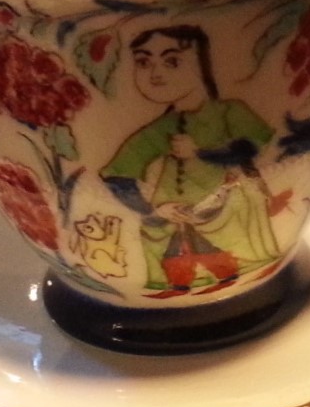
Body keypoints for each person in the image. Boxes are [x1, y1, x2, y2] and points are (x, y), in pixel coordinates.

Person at [101, 25, 281, 298]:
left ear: (202, 65)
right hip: (171, 219)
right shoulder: (162, 128)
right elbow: (116, 174)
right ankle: (176, 286)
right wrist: (154, 209)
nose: (155, 74)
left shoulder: (229, 112)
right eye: (143, 62)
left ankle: (230, 275)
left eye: (172, 61)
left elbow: (251, 148)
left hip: (225, 211)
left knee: (221, 236)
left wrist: (201, 153)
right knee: (171, 248)